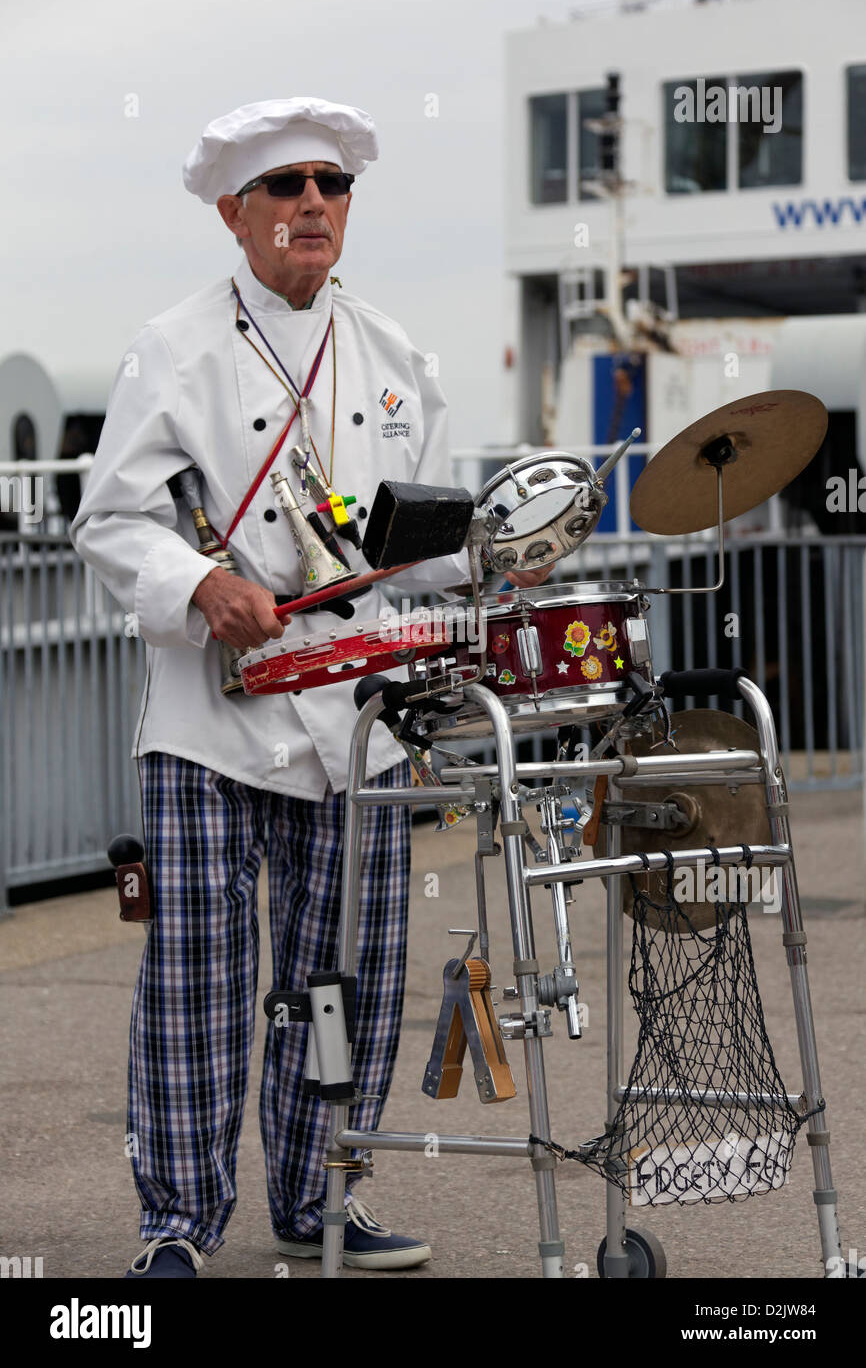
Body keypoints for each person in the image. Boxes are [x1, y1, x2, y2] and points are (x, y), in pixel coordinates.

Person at [71, 96, 551, 1279]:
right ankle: (177, 1223)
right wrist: (194, 584)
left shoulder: (393, 356)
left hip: (356, 722)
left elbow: (424, 540)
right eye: (284, 189)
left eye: (330, 188)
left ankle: (318, 1199)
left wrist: (500, 555)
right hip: (209, 719)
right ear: (236, 214)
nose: (311, 207)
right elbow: (109, 521)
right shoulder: (171, 347)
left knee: (348, 977)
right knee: (195, 978)